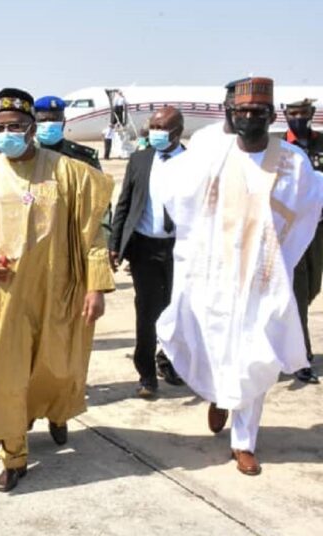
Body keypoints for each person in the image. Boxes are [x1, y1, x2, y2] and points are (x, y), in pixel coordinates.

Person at [0, 88, 114, 492]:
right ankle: (14, 455)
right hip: (4, 300)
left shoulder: (68, 172)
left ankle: (56, 412)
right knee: (6, 375)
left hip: (58, 293)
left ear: (32, 127)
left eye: (16, 125)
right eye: (0, 127)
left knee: (56, 367)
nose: (9, 133)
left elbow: (93, 234)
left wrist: (96, 286)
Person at [157, 78, 323, 476]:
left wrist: (280, 253)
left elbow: (307, 209)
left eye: (258, 112)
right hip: (216, 275)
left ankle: (244, 442)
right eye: (243, 111)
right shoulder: (213, 153)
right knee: (215, 345)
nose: (250, 117)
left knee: (257, 355)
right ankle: (220, 395)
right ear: (232, 114)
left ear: (270, 115)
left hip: (265, 277)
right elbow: (176, 193)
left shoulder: (293, 160)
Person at [110, 106, 186, 398]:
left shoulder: (193, 162)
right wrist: (115, 244)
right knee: (147, 312)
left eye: (161, 128)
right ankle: (146, 374)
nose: (154, 132)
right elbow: (124, 203)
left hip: (181, 248)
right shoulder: (140, 160)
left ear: (178, 132)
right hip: (145, 248)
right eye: (152, 127)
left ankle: (170, 362)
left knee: (177, 310)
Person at [283, 99, 323, 384]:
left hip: (318, 228)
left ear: (312, 114)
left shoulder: (322, 143)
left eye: (303, 113)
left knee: (312, 287)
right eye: (293, 113)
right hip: (293, 230)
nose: (298, 117)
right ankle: (301, 357)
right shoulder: (279, 148)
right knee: (297, 292)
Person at [34, 95, 101, 169]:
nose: (49, 124)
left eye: (54, 120)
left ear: (64, 122)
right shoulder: (26, 155)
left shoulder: (84, 156)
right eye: (43, 120)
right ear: (34, 124)